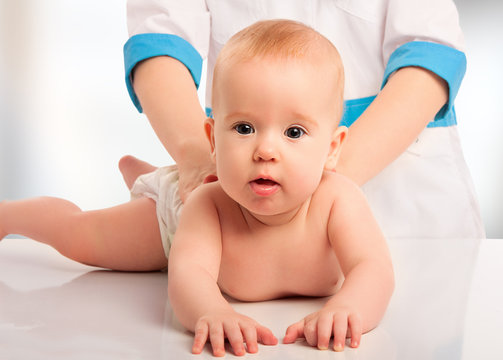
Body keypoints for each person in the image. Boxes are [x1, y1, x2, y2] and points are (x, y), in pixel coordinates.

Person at [0, 20, 395, 356]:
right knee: (82, 237)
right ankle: (11, 214)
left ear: (332, 149)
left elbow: (372, 268)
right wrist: (211, 310)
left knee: (148, 192)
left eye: (294, 132)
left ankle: (144, 177)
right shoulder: (210, 205)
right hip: (175, 217)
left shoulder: (339, 200)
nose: (265, 150)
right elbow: (188, 272)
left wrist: (349, 307)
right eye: (244, 128)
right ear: (212, 138)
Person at [124, 0, 485, 239]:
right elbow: (159, 41)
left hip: (407, 214)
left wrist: (320, 191)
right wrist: (195, 159)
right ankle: (158, 191)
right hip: (248, 198)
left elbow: (429, 56)